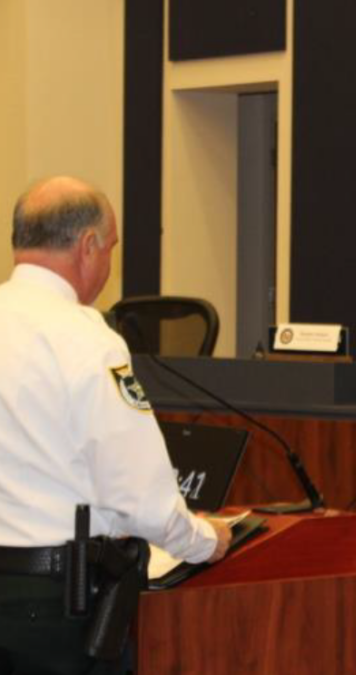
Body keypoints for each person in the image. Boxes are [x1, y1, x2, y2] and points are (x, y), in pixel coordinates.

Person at [0, 177, 231, 674]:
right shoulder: (85, 339)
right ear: (87, 246)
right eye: (110, 250)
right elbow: (137, 493)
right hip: (58, 603)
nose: (108, 265)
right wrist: (205, 540)